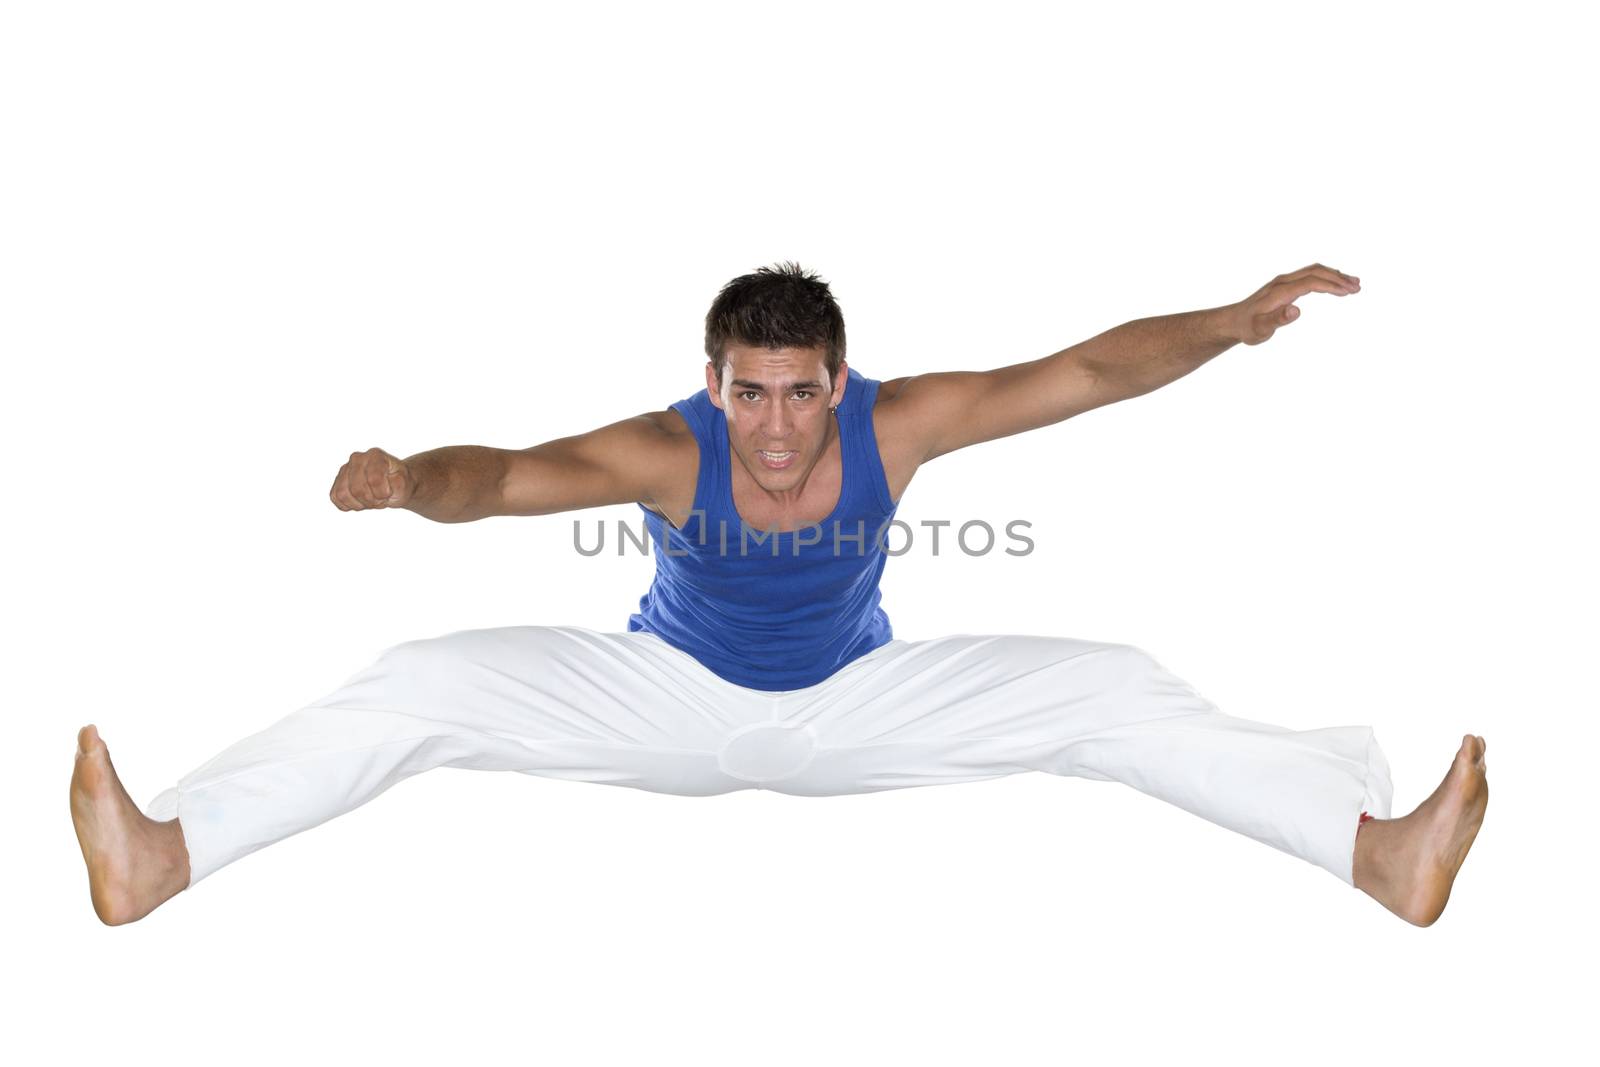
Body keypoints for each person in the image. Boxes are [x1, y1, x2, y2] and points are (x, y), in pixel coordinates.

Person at [70, 261, 1488, 927]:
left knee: (1112, 686)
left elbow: (1089, 371)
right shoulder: (663, 452)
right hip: (663, 700)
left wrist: (1230, 328)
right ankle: (164, 859)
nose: (777, 427)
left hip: (861, 702)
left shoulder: (905, 420)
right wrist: (406, 481)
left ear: (839, 380)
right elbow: (501, 478)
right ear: (714, 383)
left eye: (803, 394)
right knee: (425, 679)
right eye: (750, 394)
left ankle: (1372, 855)